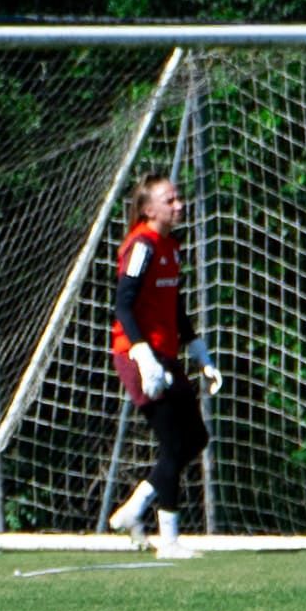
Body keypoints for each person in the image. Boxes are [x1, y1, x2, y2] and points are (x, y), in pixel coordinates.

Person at [105, 171, 213, 549]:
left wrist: (197, 348)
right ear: (149, 209)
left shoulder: (172, 247)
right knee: (172, 443)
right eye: (170, 200)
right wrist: (142, 355)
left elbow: (174, 304)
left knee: (196, 437)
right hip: (140, 357)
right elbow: (123, 304)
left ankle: (136, 507)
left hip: (166, 355)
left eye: (178, 198)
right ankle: (169, 541)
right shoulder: (141, 246)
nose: (178, 205)